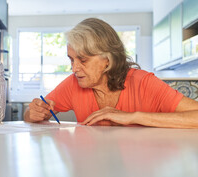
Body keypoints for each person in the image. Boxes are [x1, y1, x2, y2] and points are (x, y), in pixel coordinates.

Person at [24, 18, 198, 128]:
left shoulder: (143, 83)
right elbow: (32, 114)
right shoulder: (73, 83)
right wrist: (34, 113)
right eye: (71, 59)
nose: (74, 68)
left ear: (108, 59)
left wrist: (133, 117)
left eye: (83, 60)